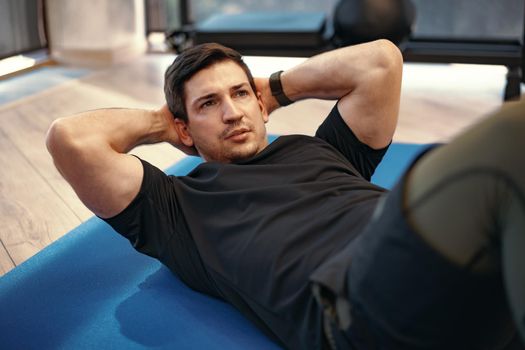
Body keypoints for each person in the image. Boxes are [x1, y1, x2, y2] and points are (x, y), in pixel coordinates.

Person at [46, 41, 524, 349]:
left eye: (239, 94)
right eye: (208, 104)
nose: (232, 113)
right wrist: (164, 123)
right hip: (356, 305)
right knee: (512, 135)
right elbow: (72, 141)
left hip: (450, 282)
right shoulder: (176, 209)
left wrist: (271, 91)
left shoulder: (324, 150)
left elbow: (381, 61)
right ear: (184, 128)